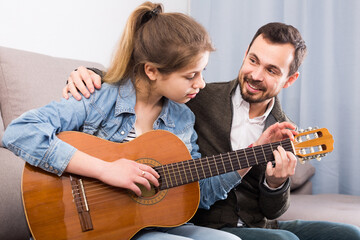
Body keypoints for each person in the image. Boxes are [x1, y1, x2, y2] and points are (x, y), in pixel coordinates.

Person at [63, 22, 360, 240]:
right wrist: (90, 74)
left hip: (258, 224)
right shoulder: (199, 97)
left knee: (347, 233)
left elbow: (273, 211)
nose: (256, 75)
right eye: (253, 60)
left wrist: (275, 182)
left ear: (290, 79)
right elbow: (149, 82)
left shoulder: (281, 129)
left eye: (271, 70)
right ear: (245, 54)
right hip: (212, 222)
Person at [2, 2, 245, 240]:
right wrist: (106, 170)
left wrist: (250, 158)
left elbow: (197, 192)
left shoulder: (183, 119)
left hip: (151, 223)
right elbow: (20, 131)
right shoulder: (98, 97)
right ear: (151, 71)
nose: (201, 83)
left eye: (202, 72)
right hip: (99, 227)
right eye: (191, 75)